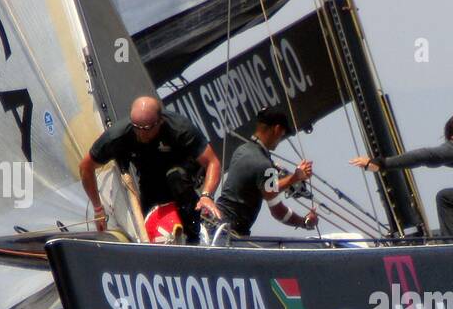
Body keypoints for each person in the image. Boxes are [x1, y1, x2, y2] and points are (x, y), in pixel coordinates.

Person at [80, 96, 222, 242]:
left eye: (147, 129)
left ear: (160, 121)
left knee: (174, 177)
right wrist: (98, 208)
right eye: (137, 127)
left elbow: (212, 162)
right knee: (148, 220)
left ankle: (194, 234)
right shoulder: (120, 134)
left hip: (183, 172)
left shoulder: (179, 128)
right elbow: (86, 167)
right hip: (150, 181)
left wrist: (207, 195)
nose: (141, 133)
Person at [205, 107, 318, 237]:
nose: (280, 140)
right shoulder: (264, 164)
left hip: (214, 222)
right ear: (277, 130)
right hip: (229, 232)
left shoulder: (241, 150)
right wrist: (305, 222)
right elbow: (277, 210)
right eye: (282, 135)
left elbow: (269, 190)